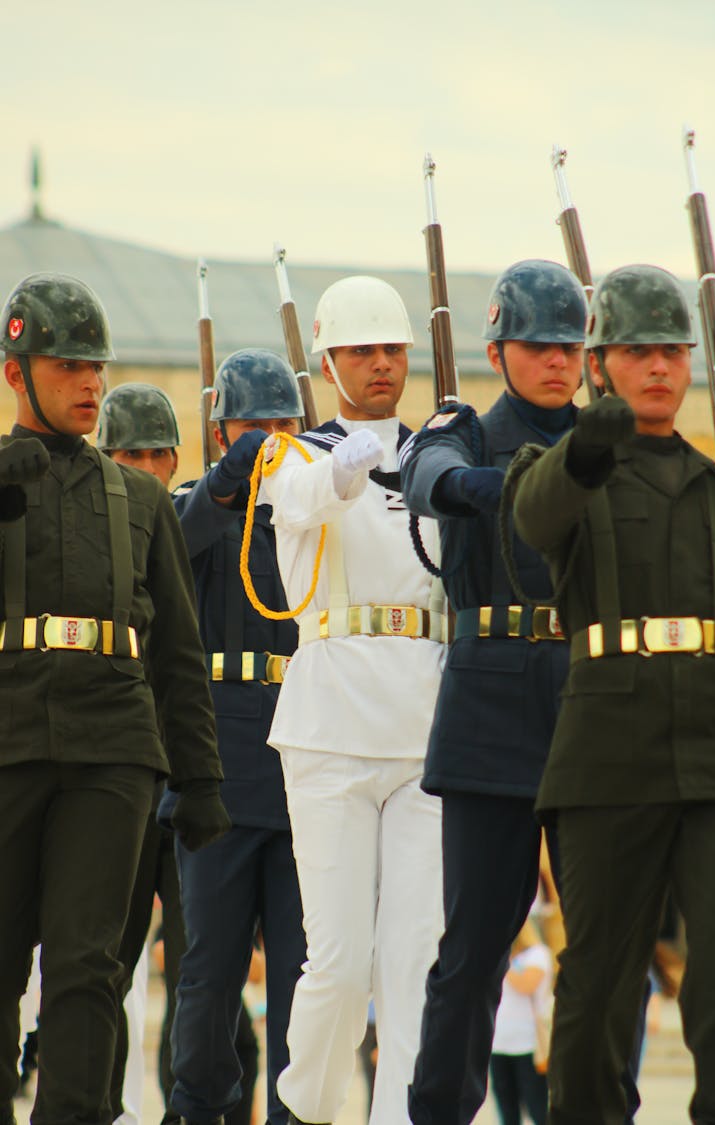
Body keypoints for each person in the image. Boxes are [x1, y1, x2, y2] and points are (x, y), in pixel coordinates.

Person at [513, 263, 715, 1124]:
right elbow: (533, 520)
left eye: (672, 352)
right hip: (611, 749)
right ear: (601, 362)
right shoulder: (566, 467)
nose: (659, 367)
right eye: (639, 352)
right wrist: (587, 444)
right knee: (602, 984)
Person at [0, 272, 229, 1125]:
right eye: (68, 365)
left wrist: (200, 778)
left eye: (97, 365)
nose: (91, 382)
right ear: (18, 370)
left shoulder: (138, 499)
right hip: (8, 736)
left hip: (113, 746)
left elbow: (177, 649)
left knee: (89, 966)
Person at [400, 259, 587, 1125]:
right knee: (473, 947)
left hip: (592, 709)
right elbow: (422, 468)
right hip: (489, 710)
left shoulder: (605, 443)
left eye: (570, 345)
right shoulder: (467, 432)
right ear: (497, 347)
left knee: (599, 950)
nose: (557, 360)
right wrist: (474, 484)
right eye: (538, 344)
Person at [260, 275, 446, 1125]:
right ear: (329, 360)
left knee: (414, 957)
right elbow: (289, 500)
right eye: (362, 350)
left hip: (423, 724)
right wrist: (337, 468)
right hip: (333, 725)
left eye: (392, 348)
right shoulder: (298, 455)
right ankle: (306, 1107)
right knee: (336, 959)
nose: (380, 363)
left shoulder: (439, 454)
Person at [161, 348, 307, 1125]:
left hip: (304, 765)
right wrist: (224, 487)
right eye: (256, 425)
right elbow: (171, 553)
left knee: (300, 972)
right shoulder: (198, 506)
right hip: (217, 763)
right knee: (209, 971)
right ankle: (197, 1107)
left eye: (284, 425)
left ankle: (293, 1110)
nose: (271, 439)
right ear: (222, 431)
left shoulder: (314, 519)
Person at [97, 381, 188, 1124]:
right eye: (131, 453)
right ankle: (103, 1104)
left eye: (161, 453)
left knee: (200, 971)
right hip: (118, 775)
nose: (147, 468)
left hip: (186, 780)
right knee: (103, 964)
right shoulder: (95, 535)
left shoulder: (194, 522)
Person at [489, 917, 553, 1125]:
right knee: (507, 1113)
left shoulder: (537, 955)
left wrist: (502, 960)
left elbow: (526, 984)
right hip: (498, 1045)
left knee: (538, 1110)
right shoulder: (496, 957)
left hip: (528, 1046)